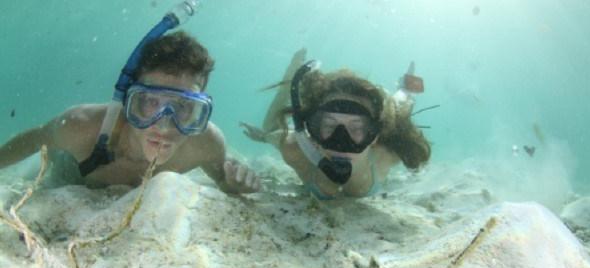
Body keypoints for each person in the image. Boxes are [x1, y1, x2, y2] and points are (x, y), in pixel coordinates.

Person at [0, 31, 261, 194]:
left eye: (183, 107)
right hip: (65, 172)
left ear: (199, 111)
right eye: (150, 102)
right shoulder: (81, 125)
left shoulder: (206, 144)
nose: (165, 125)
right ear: (127, 102)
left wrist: (236, 184)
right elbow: (35, 139)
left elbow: (224, 182)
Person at [241, 49, 430, 199]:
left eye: (356, 128)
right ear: (311, 131)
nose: (341, 141)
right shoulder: (295, 148)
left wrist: (406, 92)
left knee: (397, 108)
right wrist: (265, 137)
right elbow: (272, 130)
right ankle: (291, 78)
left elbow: (402, 121)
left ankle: (405, 88)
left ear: (374, 137)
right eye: (329, 126)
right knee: (270, 130)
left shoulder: (386, 155)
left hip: (392, 111)